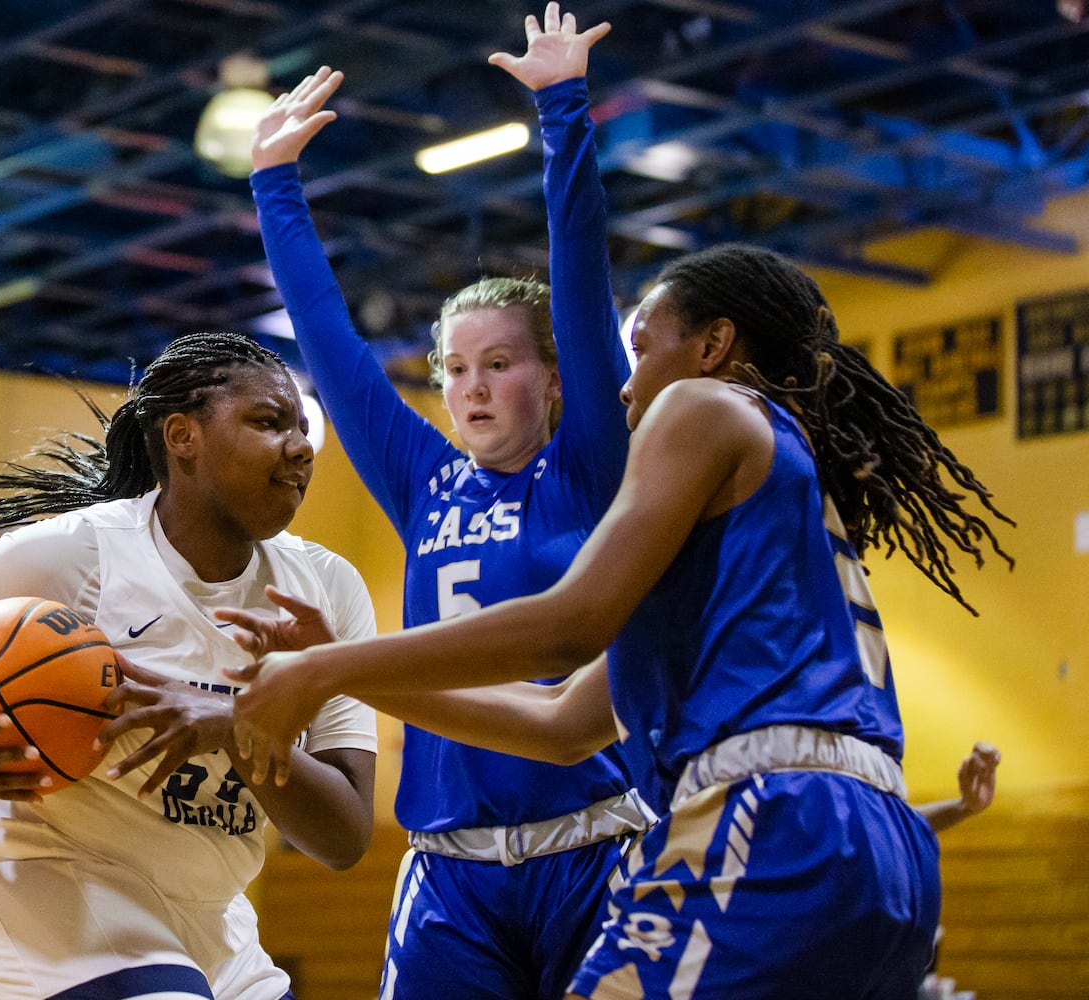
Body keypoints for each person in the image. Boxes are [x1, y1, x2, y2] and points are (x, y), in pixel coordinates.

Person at [225, 237, 1015, 998]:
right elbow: (563, 721)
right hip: (883, 844)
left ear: (714, 346)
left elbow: (570, 626)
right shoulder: (765, 500)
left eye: (641, 350)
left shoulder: (706, 405)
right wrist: (344, 668)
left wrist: (326, 669)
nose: (627, 385)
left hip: (766, 817)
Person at [249, 10, 657, 999]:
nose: (471, 387)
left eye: (501, 363)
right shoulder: (423, 480)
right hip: (449, 868)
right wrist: (273, 185)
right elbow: (330, 346)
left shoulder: (590, 470)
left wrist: (564, 108)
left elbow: (579, 282)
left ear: (555, 380)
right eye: (455, 369)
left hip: (595, 846)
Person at [0, 331, 378, 1000]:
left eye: (301, 427)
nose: (301, 446)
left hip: (209, 914)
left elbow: (344, 837)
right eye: (268, 421)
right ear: (182, 436)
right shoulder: (68, 558)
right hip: (37, 876)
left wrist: (237, 724)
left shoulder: (327, 589)